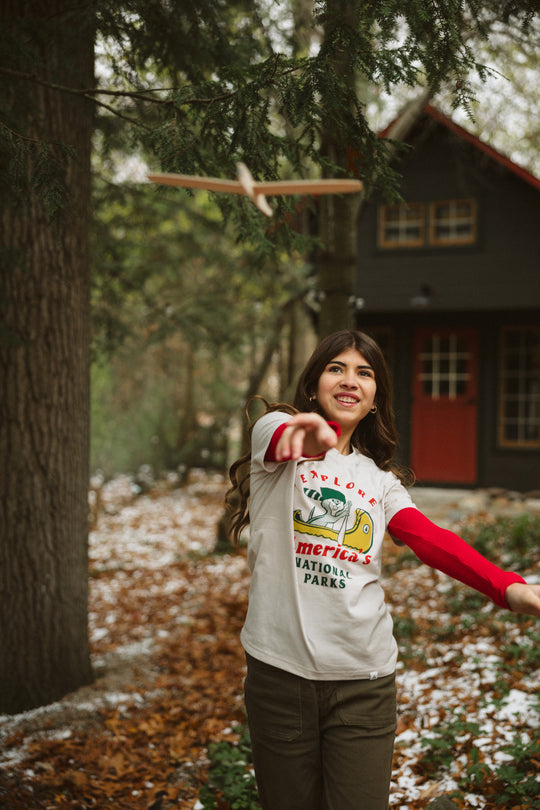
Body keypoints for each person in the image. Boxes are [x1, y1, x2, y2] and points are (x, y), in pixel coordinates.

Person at [226, 329, 540, 810]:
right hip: (280, 679)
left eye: (364, 373)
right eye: (337, 369)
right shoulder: (273, 431)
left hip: (364, 686)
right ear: (313, 385)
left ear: (376, 398)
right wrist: (317, 433)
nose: (350, 381)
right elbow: (292, 440)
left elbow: (432, 541)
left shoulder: (379, 481)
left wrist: (507, 588)